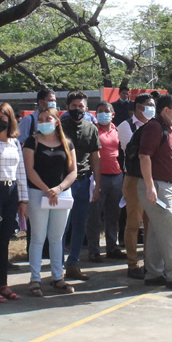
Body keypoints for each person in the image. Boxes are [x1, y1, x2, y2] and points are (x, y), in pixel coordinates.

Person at [136, 95, 172, 289]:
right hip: (157, 186)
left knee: (156, 231)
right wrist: (150, 186)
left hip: (167, 185)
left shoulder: (169, 128)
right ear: (166, 110)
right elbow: (144, 156)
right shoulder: (154, 127)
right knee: (169, 231)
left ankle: (153, 273)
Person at [23, 107, 77, 296]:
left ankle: (57, 277)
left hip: (61, 195)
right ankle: (35, 279)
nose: (44, 122)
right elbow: (29, 170)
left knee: (57, 238)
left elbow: (72, 171)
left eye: (48, 118)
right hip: (38, 194)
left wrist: (59, 189)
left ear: (57, 121)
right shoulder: (32, 142)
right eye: (41, 119)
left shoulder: (66, 143)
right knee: (38, 238)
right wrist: (47, 190)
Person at [0, 102, 28, 302]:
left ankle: (3, 283)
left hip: (11, 193)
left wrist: (23, 200)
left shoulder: (15, 143)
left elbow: (21, 172)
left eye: (3, 118)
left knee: (4, 241)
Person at [60, 91, 101, 281]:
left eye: (81, 106)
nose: (78, 109)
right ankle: (57, 266)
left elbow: (95, 157)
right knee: (62, 226)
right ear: (68, 107)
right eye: (74, 106)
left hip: (85, 181)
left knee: (79, 224)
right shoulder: (59, 127)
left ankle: (73, 263)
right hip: (64, 182)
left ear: (86, 108)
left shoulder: (91, 128)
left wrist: (98, 183)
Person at [117, 93, 156, 279]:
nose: (151, 108)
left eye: (153, 105)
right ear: (139, 107)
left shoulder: (155, 125)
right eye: (148, 105)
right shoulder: (126, 126)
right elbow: (139, 150)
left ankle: (150, 261)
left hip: (153, 179)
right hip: (133, 178)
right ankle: (132, 263)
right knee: (134, 222)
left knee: (151, 221)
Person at [88, 101, 125, 262]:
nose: (103, 114)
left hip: (117, 177)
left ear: (112, 114)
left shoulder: (118, 131)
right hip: (99, 177)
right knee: (95, 216)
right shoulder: (93, 130)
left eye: (106, 111)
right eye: (100, 111)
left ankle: (112, 247)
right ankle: (94, 250)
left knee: (113, 215)